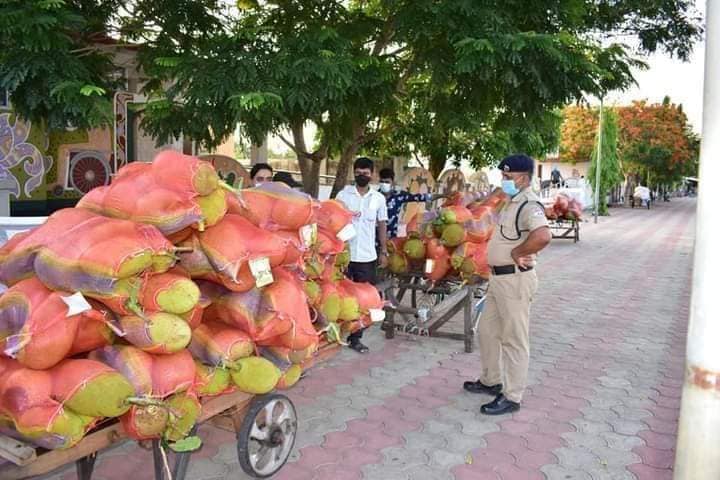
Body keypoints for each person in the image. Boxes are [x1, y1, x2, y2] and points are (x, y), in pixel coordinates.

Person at [463, 154, 552, 415]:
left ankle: (512, 396)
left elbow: (543, 235)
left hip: (515, 279)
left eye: (508, 176)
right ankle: (491, 380)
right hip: (498, 280)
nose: (504, 180)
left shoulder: (529, 204)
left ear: (523, 177)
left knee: (514, 339)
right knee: (488, 332)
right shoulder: (512, 202)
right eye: (503, 176)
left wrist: (518, 252)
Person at [336, 157, 388, 353]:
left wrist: (384, 251)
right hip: (344, 256)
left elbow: (382, 225)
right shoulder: (343, 195)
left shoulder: (378, 199)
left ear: (372, 174)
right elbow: (335, 222)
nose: (362, 176)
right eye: (358, 172)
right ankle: (335, 334)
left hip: (367, 257)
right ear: (354, 172)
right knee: (341, 296)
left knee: (364, 300)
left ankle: (356, 337)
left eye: (366, 173)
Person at [378, 167, 445, 238]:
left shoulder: (399, 196)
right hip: (374, 238)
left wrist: (442, 195)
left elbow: (422, 197)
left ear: (393, 183)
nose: (384, 184)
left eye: (387, 182)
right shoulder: (373, 197)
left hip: (391, 237)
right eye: (382, 182)